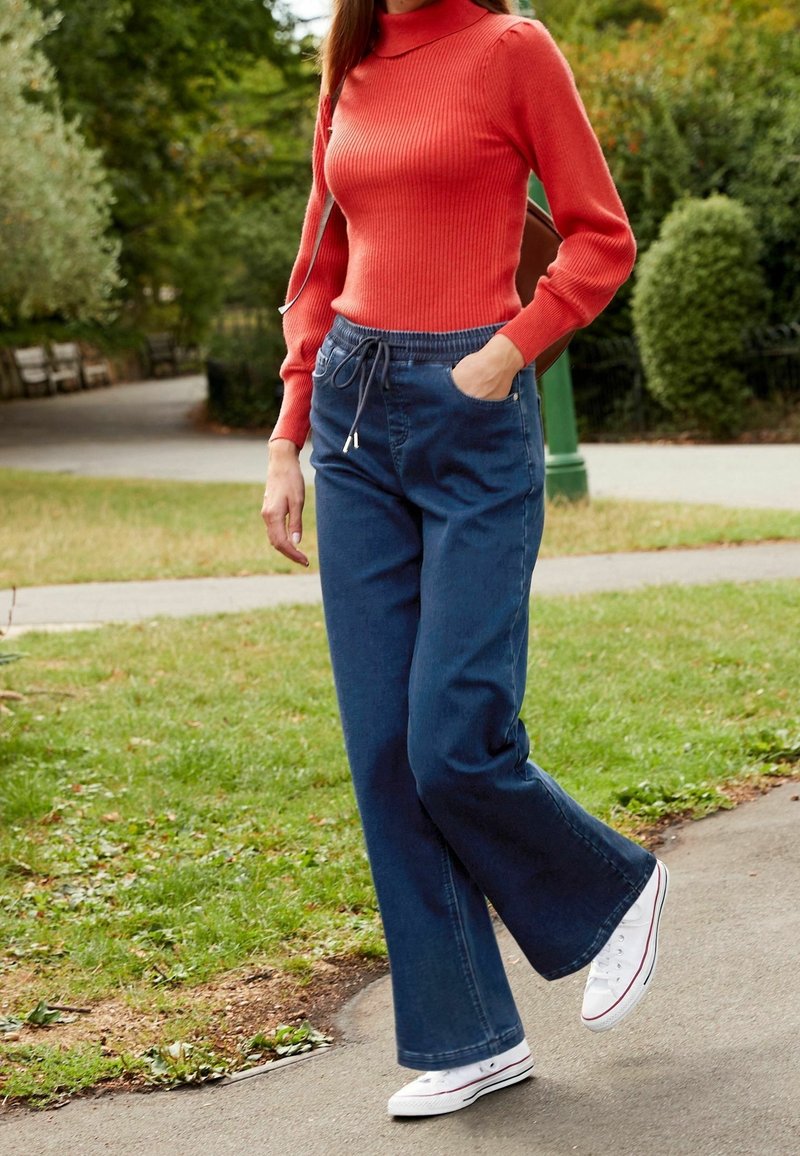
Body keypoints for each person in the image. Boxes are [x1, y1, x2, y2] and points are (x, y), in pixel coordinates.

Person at [262, 0, 669, 1120]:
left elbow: (599, 233)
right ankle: (466, 1034)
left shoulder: (510, 50)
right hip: (349, 414)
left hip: (470, 412)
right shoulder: (346, 61)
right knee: (383, 749)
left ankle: (612, 886)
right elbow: (319, 254)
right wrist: (288, 433)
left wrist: (507, 353)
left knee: (452, 735)